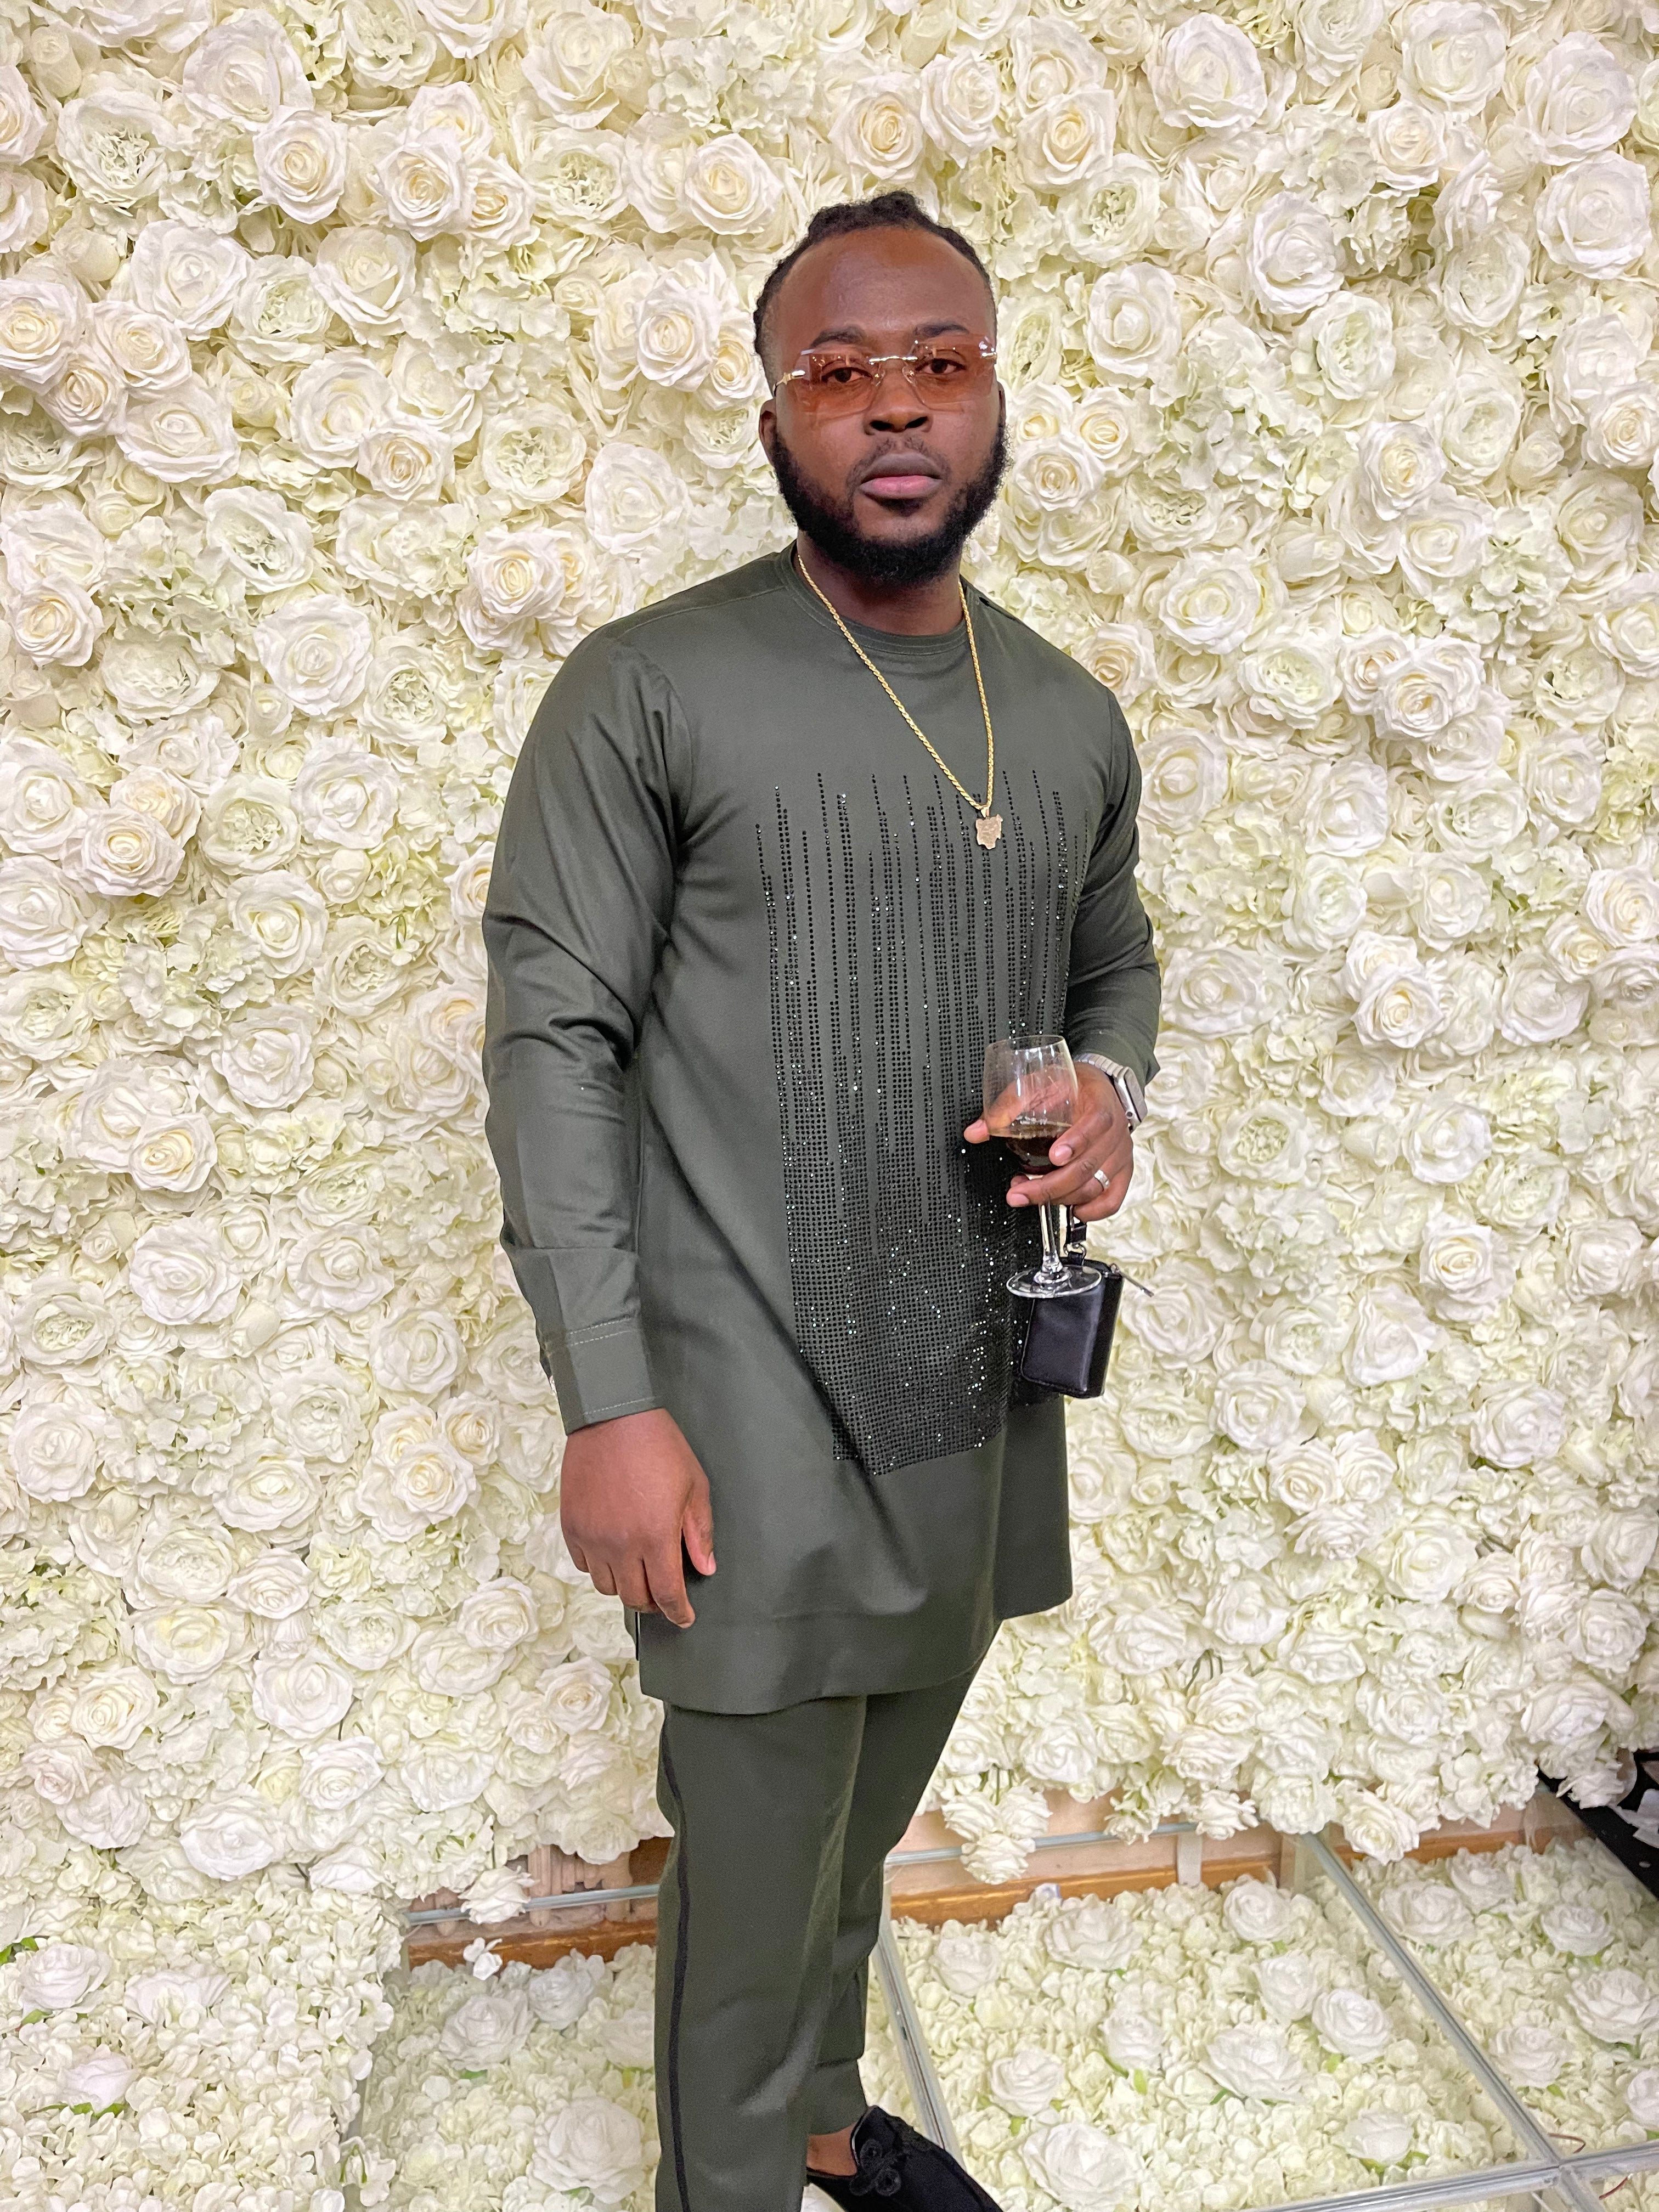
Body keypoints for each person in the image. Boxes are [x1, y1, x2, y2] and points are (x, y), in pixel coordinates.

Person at [483, 190, 1161, 2212]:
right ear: (776, 412)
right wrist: (610, 1401)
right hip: (738, 1419)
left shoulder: (1064, 712)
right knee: (759, 1872)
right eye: (840, 369)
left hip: (978, 1396)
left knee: (858, 1833)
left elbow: (1115, 961)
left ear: (996, 394)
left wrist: (1106, 1089)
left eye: (938, 362)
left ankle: (822, 2124)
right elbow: (553, 1044)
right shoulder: (649, 686)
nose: (895, 406)